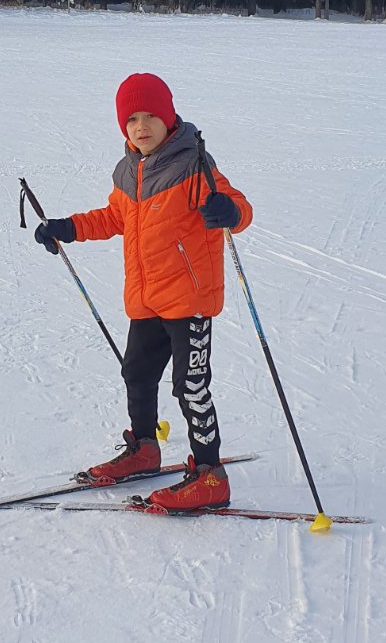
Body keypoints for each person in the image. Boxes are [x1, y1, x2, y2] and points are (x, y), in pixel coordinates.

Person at [34, 72, 252, 513]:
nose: (141, 126)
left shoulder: (194, 166)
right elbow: (112, 217)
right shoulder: (128, 172)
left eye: (150, 115)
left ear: (168, 117)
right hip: (147, 299)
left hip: (188, 299)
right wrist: (68, 227)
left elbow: (240, 208)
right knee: (136, 373)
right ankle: (144, 449)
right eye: (131, 119)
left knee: (190, 386)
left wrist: (229, 212)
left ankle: (210, 475)